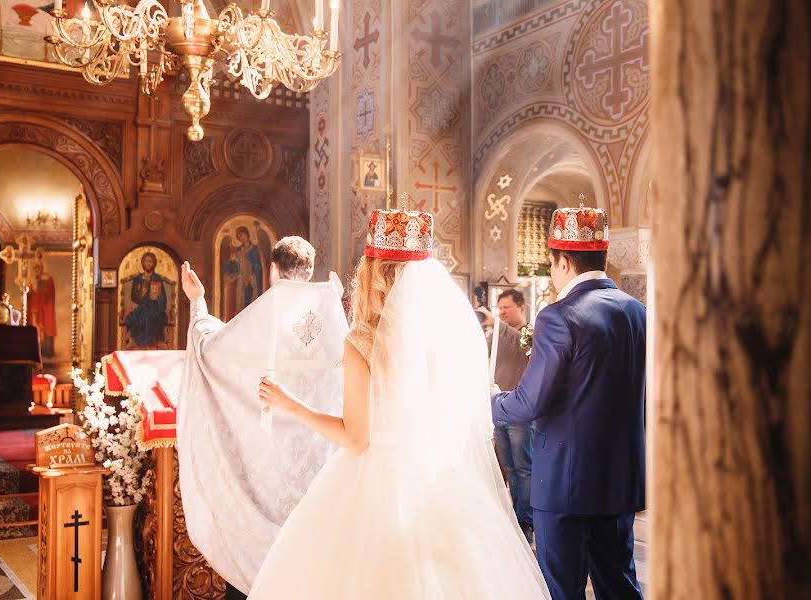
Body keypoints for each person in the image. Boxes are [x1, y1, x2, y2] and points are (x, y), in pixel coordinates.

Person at [250, 207, 549, 600]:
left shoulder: (362, 342)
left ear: (372, 273)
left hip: (374, 481)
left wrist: (293, 405)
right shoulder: (443, 339)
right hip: (438, 477)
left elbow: (357, 438)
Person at [178, 236, 348, 597]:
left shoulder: (264, 317)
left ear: (272, 269)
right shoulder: (334, 319)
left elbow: (211, 349)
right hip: (319, 467)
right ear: (311, 269)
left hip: (265, 468)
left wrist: (198, 302)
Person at [491, 205, 646, 600]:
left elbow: (530, 401)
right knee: (620, 586)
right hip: (618, 478)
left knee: (562, 590)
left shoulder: (560, 316)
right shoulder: (637, 312)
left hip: (565, 482)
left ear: (561, 261)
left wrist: (491, 401)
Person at [481, 288, 534, 542]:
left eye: (506, 308)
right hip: (499, 408)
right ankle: (514, 514)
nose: (501, 312)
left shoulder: (528, 333)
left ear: (521, 308)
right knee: (509, 467)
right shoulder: (500, 335)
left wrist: (497, 324)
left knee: (523, 467)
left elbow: (518, 343)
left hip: (520, 410)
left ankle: (526, 519)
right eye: (499, 308)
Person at [124, 251, 169, 348]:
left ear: (154, 263)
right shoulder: (138, 279)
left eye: (150, 261)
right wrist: (142, 294)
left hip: (156, 307)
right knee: (139, 316)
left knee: (151, 316)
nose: (148, 264)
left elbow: (163, 298)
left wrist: (158, 298)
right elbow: (134, 297)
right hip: (142, 306)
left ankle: (141, 341)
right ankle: (141, 341)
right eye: (146, 261)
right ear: (142, 263)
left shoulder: (157, 279)